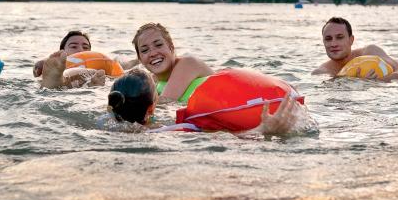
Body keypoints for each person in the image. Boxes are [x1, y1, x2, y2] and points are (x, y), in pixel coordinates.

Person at [106, 69, 309, 136]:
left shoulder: (105, 124)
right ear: (152, 108)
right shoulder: (174, 131)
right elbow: (225, 138)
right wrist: (264, 130)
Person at [132, 23, 213, 102]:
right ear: (140, 59)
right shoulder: (151, 82)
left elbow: (167, 101)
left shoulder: (188, 64)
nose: (153, 53)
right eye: (145, 50)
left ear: (171, 46)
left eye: (158, 45)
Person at [312, 17, 398, 81]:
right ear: (323, 42)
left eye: (339, 37)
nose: (333, 44)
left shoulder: (370, 52)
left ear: (351, 40)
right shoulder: (321, 73)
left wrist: (375, 82)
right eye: (328, 39)